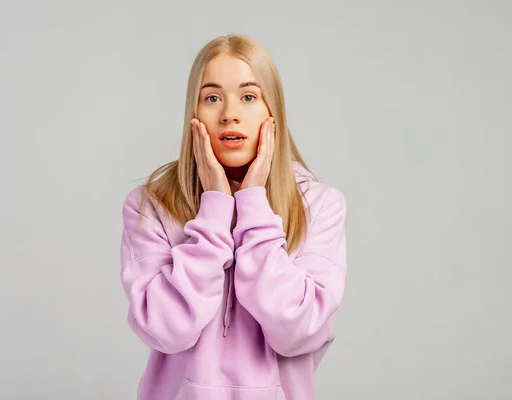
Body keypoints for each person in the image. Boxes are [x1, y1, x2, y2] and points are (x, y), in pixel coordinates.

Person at [120, 33, 347, 400]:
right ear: (194, 114)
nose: (229, 113)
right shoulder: (151, 205)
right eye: (212, 97)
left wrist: (254, 204)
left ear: (273, 112)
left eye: (248, 96)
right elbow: (164, 329)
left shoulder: (319, 206)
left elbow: (297, 329)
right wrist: (214, 209)